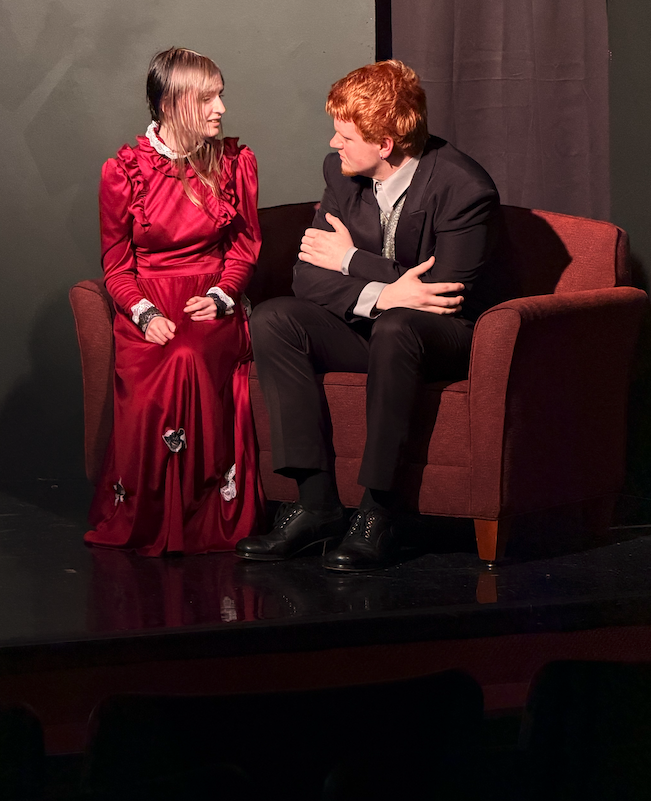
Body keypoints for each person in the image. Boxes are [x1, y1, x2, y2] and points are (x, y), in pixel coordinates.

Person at [236, 60, 500, 572]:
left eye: (346, 135)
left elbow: (445, 296)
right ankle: (315, 506)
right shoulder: (340, 172)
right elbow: (307, 277)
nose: (335, 145)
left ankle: (379, 512)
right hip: (373, 325)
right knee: (273, 318)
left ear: (385, 144)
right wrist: (383, 292)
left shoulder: (464, 187)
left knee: (401, 327)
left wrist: (351, 261)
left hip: (445, 337)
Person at [85, 47, 264, 556]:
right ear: (170, 104)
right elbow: (117, 267)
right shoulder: (123, 172)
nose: (221, 108)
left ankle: (200, 518)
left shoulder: (235, 161)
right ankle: (150, 514)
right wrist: (142, 314)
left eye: (221, 95)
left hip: (211, 302)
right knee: (163, 363)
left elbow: (245, 247)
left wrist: (224, 295)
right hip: (147, 306)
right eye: (207, 98)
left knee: (187, 357)